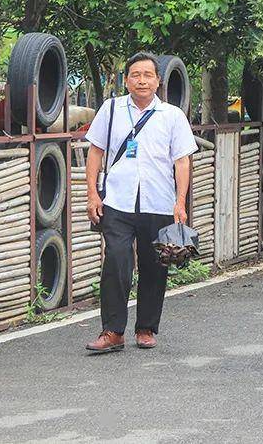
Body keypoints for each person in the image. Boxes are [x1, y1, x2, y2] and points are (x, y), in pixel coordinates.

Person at [84, 52, 198, 353]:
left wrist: (180, 202)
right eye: (136, 74)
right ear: (126, 80)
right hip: (118, 200)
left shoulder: (172, 115)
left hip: (158, 201)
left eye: (148, 75)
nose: (142, 80)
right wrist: (93, 194)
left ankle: (146, 327)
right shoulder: (111, 110)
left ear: (158, 80)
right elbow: (95, 152)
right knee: (117, 260)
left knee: (154, 265)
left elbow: (182, 161)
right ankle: (112, 331)